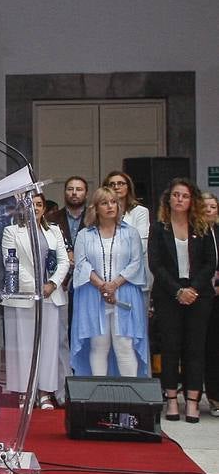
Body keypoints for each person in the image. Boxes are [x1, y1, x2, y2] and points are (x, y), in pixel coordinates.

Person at [149, 178, 215, 423]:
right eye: (175, 195)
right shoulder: (159, 228)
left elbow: (210, 263)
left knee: (194, 349)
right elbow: (155, 264)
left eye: (184, 196)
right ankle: (172, 399)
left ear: (191, 200)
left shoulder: (202, 227)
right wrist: (178, 291)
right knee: (170, 347)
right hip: (169, 294)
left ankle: (194, 401)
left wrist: (193, 289)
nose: (179, 199)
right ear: (169, 199)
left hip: (199, 295)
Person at [0, 194, 70, 409]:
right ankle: (24, 393)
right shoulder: (11, 231)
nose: (35, 208)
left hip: (51, 295)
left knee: (48, 346)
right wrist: (35, 286)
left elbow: (64, 261)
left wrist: (52, 283)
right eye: (31, 204)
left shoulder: (54, 231)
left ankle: (44, 393)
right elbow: (11, 261)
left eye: (39, 204)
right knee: (22, 346)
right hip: (23, 296)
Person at [72, 186, 149, 378]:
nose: (110, 207)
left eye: (113, 202)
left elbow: (136, 262)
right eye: (104, 203)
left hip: (125, 293)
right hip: (93, 295)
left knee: (124, 345)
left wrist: (114, 285)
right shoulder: (84, 234)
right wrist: (102, 286)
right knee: (99, 345)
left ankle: (129, 398)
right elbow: (81, 264)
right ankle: (100, 399)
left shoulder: (130, 233)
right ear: (95, 208)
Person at [104, 169, 151, 294]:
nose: (116, 187)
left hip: (134, 276)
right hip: (107, 275)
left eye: (120, 183)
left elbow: (141, 246)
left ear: (128, 187)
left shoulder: (140, 212)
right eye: (112, 184)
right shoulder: (100, 213)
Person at [199, 191, 219, 416]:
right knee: (206, 349)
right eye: (204, 207)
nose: (208, 211)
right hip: (201, 297)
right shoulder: (196, 233)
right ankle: (212, 396)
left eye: (213, 207)